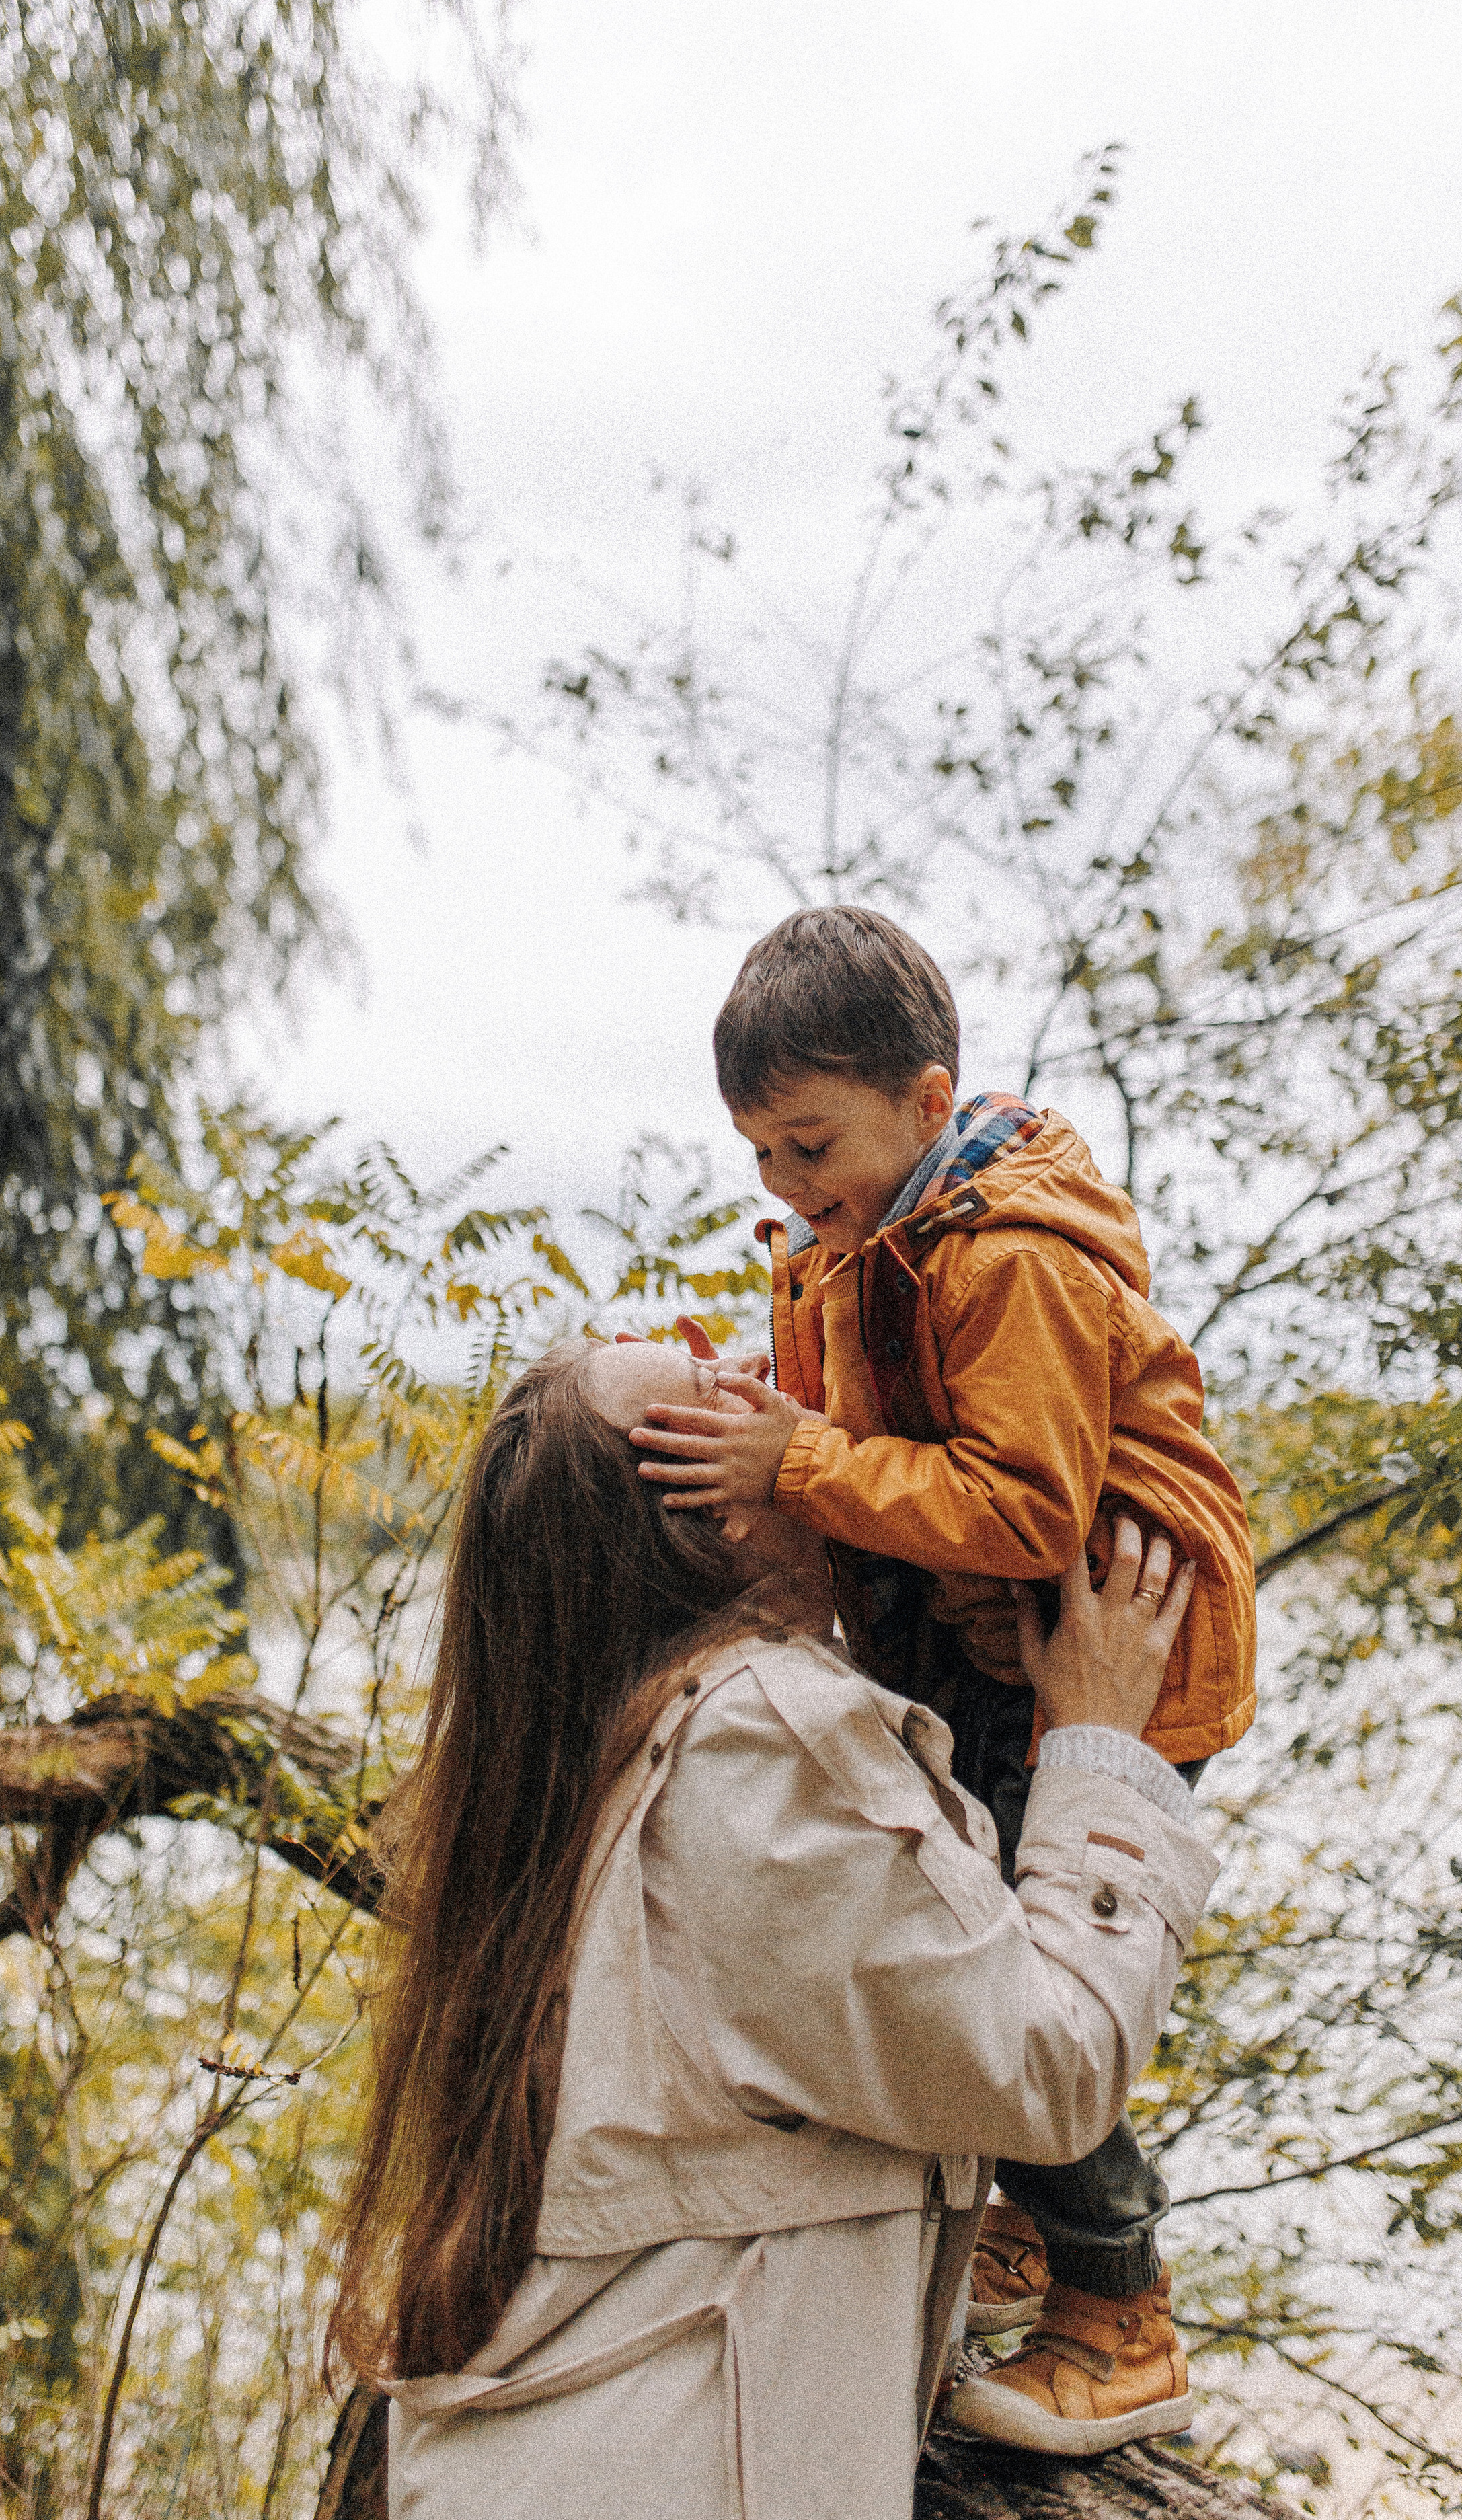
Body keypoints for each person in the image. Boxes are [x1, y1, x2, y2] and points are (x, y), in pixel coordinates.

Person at [327, 1339, 1219, 2515]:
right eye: (713, 1397)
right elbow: (1044, 2065)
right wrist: (1099, 1743)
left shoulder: (604, 1757)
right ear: (713, 1519)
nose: (767, 1383)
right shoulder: (757, 1751)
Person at [626, 903, 1257, 2449]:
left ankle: (1120, 2313)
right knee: (949, 1925)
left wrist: (804, 1457)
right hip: (1006, 1646)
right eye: (757, 1151)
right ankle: (1028, 2231)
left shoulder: (1006, 1259)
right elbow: (873, 1446)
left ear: (925, 1104)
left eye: (806, 1143)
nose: (780, 1184)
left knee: (1007, 1977)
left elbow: (1028, 1505)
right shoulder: (870, 1237)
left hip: (1103, 1653)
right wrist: (760, 1418)